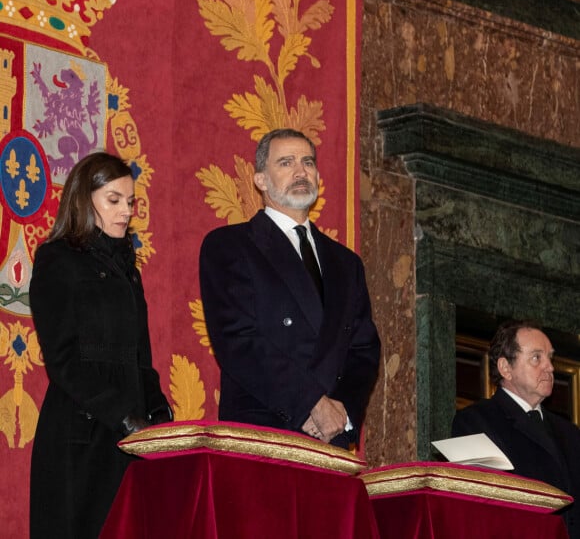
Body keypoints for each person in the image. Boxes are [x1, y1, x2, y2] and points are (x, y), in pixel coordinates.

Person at [199, 128, 381, 449]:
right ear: (261, 180)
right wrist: (311, 403)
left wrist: (342, 415)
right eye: (286, 163)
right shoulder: (230, 246)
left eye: (308, 162)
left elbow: (363, 351)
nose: (300, 171)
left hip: (330, 439)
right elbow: (239, 341)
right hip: (264, 433)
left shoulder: (346, 263)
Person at [29, 152, 172, 539]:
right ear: (83, 200)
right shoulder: (56, 259)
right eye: (114, 200)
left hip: (132, 436)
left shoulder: (129, 268)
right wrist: (125, 416)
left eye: (130, 202)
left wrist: (160, 418)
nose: (125, 211)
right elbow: (63, 362)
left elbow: (142, 359)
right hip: (81, 434)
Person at [452, 319, 580, 538]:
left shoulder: (570, 432)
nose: (550, 367)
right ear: (505, 368)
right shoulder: (471, 423)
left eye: (550, 357)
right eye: (536, 358)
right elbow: (481, 508)